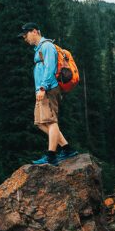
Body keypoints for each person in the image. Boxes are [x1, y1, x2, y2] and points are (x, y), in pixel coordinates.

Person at [18, 22, 78, 165]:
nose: (25, 38)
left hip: (49, 89)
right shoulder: (40, 48)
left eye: (26, 35)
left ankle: (51, 156)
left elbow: (50, 68)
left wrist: (43, 88)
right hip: (42, 89)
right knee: (40, 123)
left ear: (34, 31)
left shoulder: (47, 46)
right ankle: (67, 149)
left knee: (51, 121)